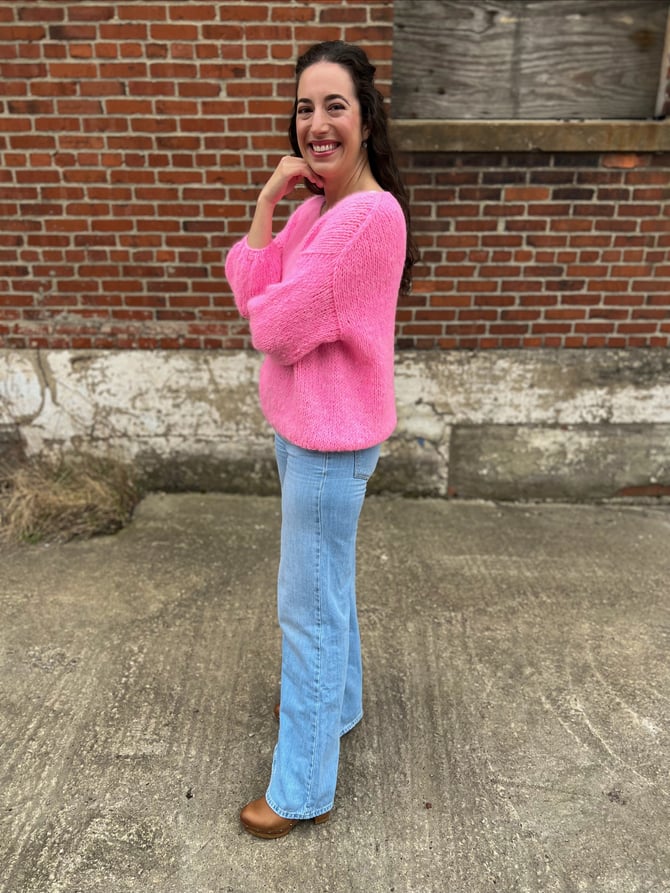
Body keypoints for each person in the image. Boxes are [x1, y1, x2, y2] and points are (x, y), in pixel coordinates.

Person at [224, 39, 416, 840]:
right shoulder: (317, 210)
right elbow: (250, 287)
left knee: (306, 607)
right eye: (306, 107)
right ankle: (337, 706)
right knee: (325, 587)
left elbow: (273, 326)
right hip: (304, 432)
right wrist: (270, 198)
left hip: (329, 446)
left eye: (335, 105)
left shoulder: (366, 217)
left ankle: (302, 785)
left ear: (366, 117)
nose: (317, 123)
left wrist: (275, 297)